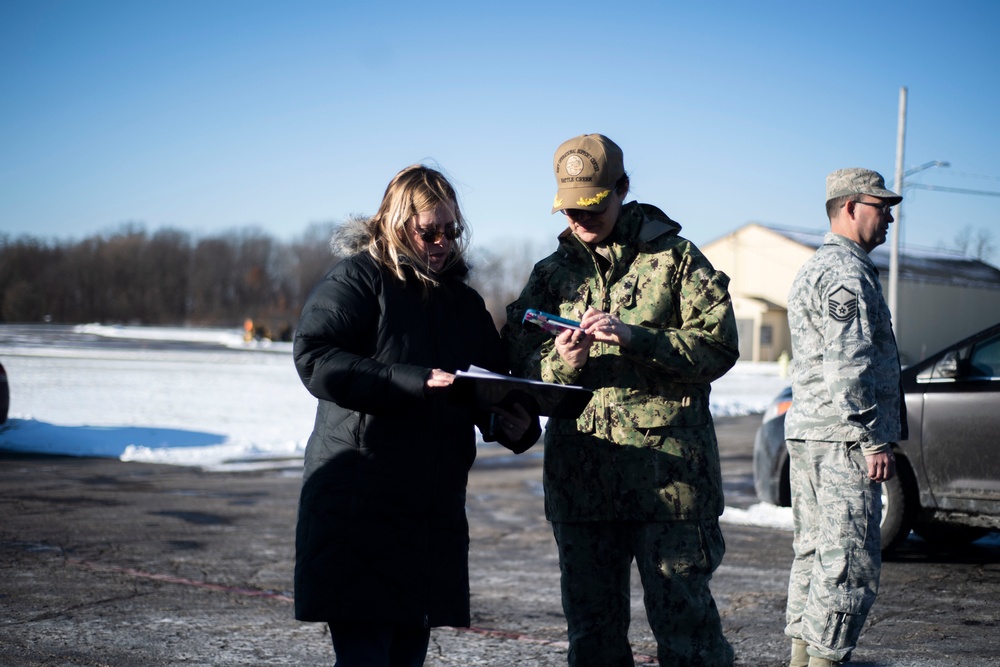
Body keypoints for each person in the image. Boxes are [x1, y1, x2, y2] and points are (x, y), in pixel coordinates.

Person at [502, 134, 739, 666]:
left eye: (593, 207)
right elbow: (516, 365)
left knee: (688, 638)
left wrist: (637, 338)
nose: (580, 221)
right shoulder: (551, 274)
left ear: (623, 189)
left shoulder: (675, 260)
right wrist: (565, 362)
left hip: (670, 485)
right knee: (593, 641)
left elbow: (720, 347)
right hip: (582, 485)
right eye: (569, 210)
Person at [292, 164, 540, 667]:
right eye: (430, 230)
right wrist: (410, 379)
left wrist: (511, 424)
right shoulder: (359, 279)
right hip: (360, 511)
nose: (443, 242)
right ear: (394, 222)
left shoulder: (463, 303)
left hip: (429, 516)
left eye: (452, 230)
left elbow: (488, 388)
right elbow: (315, 357)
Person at [783, 168, 907, 667]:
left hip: (815, 435)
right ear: (851, 207)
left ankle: (801, 659)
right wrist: (872, 438)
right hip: (842, 442)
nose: (890, 217)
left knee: (815, 558)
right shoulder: (845, 273)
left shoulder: (817, 267)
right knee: (848, 563)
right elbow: (848, 360)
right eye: (882, 206)